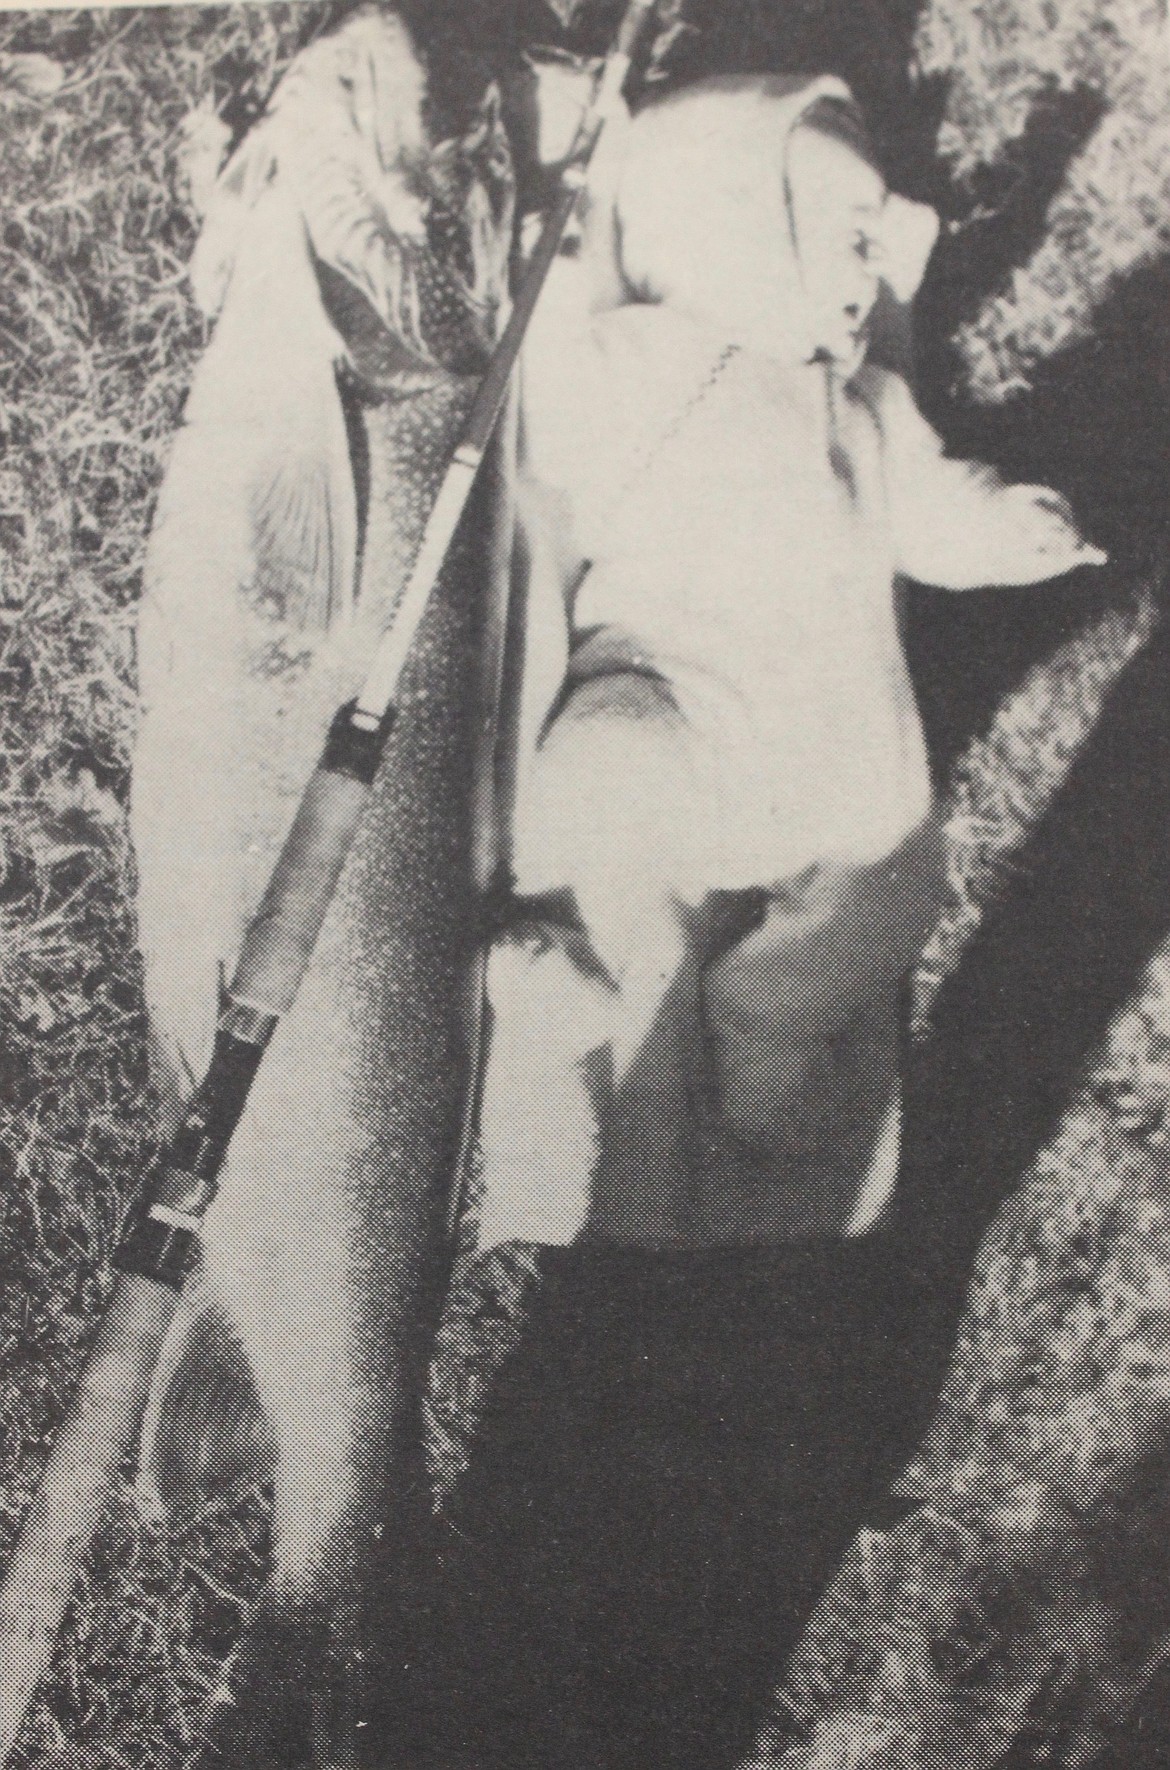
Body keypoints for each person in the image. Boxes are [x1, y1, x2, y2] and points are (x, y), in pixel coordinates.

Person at [470, 72, 1107, 1259]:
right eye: (849, 237)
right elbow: (555, 392)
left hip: (832, 765)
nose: (867, 272)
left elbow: (926, 506)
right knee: (593, 779)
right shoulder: (662, 359)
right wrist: (579, 218)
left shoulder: (863, 400)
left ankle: (770, 1020)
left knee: (897, 875)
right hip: (675, 701)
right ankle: (577, 992)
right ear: (725, 227)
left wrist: (996, 529)